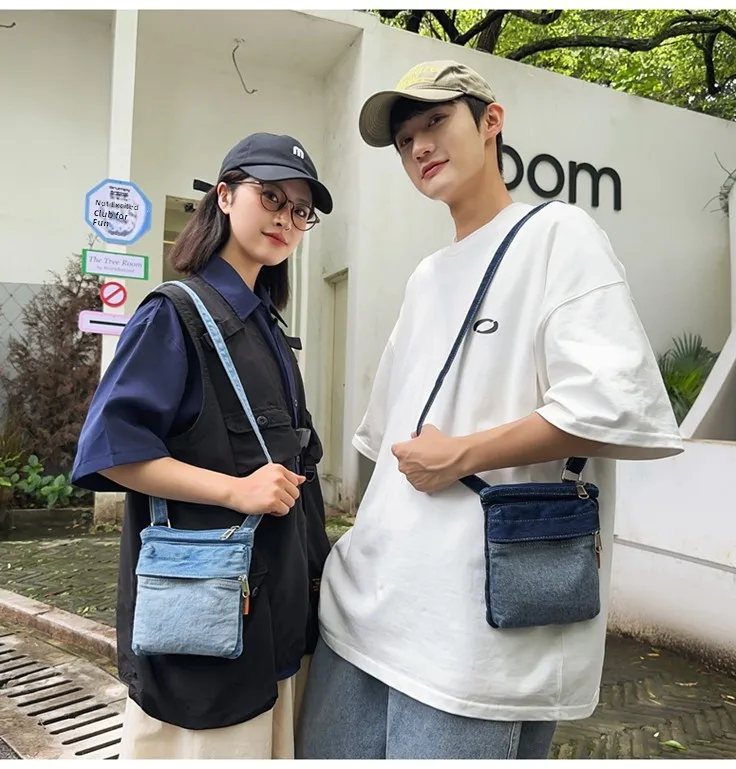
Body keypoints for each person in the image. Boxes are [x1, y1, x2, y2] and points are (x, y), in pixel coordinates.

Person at [296, 60, 684, 760]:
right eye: (404, 139)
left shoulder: (558, 234)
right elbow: (388, 440)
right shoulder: (426, 277)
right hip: (364, 611)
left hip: (476, 634)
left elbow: (613, 404)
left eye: (435, 121)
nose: (419, 146)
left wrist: (464, 455)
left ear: (490, 121)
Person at [71, 132, 333, 759]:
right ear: (225, 195)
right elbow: (111, 449)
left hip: (271, 610)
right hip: (204, 622)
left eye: (301, 210)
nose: (286, 218)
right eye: (271, 196)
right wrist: (235, 491)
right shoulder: (176, 314)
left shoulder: (265, 325)